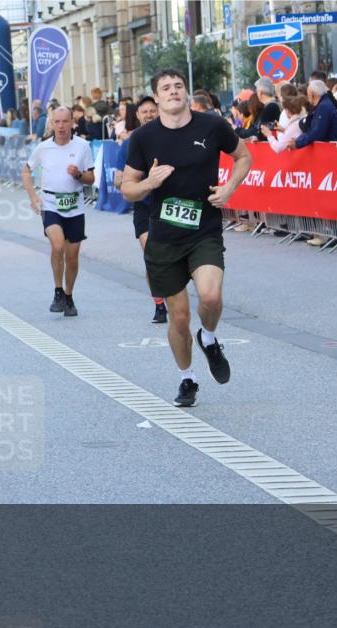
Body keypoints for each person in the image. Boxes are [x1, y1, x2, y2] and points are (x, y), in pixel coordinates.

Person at [120, 69, 252, 408]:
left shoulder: (211, 125)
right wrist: (148, 183)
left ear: (185, 91)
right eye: (166, 88)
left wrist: (230, 187)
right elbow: (128, 189)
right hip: (164, 238)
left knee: (210, 296)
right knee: (178, 318)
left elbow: (243, 156)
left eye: (178, 86)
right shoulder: (143, 138)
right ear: (157, 97)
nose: (173, 91)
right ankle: (187, 378)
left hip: (203, 230)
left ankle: (208, 337)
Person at [22, 107, 95, 318]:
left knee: (72, 257)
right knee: (57, 244)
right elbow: (26, 170)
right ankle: (57, 290)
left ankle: (69, 296)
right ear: (51, 124)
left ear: (73, 122)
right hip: (51, 203)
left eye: (65, 121)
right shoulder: (43, 148)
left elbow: (91, 178)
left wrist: (79, 174)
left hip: (75, 206)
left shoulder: (83, 146)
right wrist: (33, 197)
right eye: (57, 122)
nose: (61, 126)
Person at [112, 97, 166, 323]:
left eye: (152, 110)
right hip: (144, 206)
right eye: (144, 111)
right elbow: (117, 180)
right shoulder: (130, 143)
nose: (149, 114)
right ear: (138, 116)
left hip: (169, 205)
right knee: (152, 255)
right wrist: (133, 180)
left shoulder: (171, 137)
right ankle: (160, 305)